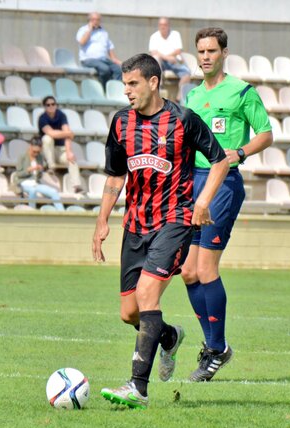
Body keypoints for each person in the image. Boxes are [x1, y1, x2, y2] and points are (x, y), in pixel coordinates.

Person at [92, 53, 229, 409]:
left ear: (154, 82)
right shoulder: (121, 123)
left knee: (148, 295)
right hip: (135, 225)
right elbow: (116, 174)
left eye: (133, 83)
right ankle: (168, 336)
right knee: (130, 313)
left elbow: (220, 160)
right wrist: (102, 219)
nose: (127, 91)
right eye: (125, 85)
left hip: (175, 221)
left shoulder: (183, 120)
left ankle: (138, 387)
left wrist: (202, 203)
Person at [180, 27, 273, 382]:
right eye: (201, 51)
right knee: (187, 271)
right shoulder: (191, 97)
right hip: (194, 182)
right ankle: (214, 345)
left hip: (224, 184)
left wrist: (242, 152)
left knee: (206, 269)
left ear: (224, 53)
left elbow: (266, 133)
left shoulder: (241, 91)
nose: (205, 56)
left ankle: (216, 348)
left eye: (211, 51)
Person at [38, 95, 83, 194]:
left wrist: (68, 152)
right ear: (45, 107)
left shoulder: (61, 115)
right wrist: (67, 133)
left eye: (53, 104)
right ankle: (51, 166)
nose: (51, 106)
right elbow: (51, 133)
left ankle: (76, 186)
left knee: (71, 159)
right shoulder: (42, 118)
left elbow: (67, 136)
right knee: (47, 138)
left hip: (60, 149)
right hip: (48, 151)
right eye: (48, 105)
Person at [15, 136, 64, 211]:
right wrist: (28, 170)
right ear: (30, 146)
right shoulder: (22, 156)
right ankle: (32, 212)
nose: (36, 154)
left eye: (38, 152)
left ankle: (62, 213)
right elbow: (18, 175)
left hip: (35, 183)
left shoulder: (40, 157)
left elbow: (39, 176)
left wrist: (41, 170)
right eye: (34, 151)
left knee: (53, 192)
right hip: (23, 183)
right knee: (32, 190)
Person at [148, 17, 191, 102]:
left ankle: (178, 99)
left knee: (187, 73)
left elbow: (178, 50)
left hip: (174, 61)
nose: (162, 27)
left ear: (168, 25)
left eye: (165, 25)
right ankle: (158, 91)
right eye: (160, 25)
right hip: (161, 62)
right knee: (156, 59)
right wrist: (167, 58)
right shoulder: (154, 36)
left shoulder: (175, 34)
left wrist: (168, 57)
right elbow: (153, 53)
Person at [76, 12, 122, 87]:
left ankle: (114, 90)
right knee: (105, 69)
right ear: (89, 20)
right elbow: (82, 42)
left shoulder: (103, 32)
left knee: (118, 70)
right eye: (93, 19)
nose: (95, 21)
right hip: (88, 60)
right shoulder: (83, 30)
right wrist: (90, 29)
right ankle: (104, 90)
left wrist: (117, 61)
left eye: (98, 20)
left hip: (103, 60)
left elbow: (110, 48)